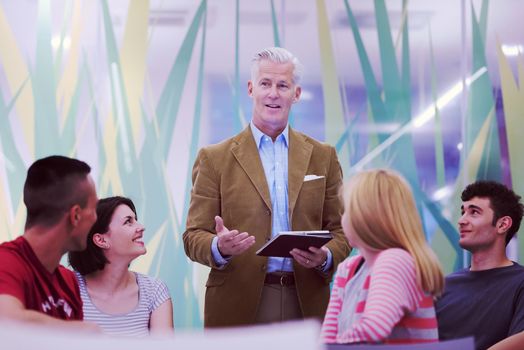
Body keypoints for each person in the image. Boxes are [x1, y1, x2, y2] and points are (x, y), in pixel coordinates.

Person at [183, 47, 350, 327]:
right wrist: (218, 246)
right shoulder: (214, 158)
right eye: (265, 84)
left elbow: (341, 231)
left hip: (306, 302)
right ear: (251, 89)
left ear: (295, 94)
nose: (273, 93)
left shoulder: (324, 157)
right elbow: (192, 236)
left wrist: (325, 256)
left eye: (283, 85)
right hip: (237, 303)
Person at [320, 169, 444, 344]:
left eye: (346, 211)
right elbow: (327, 339)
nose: (342, 219)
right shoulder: (347, 269)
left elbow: (374, 328)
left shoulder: (394, 260)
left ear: (365, 217)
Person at [0, 155, 98, 330]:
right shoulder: (5, 262)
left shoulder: (69, 281)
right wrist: (85, 331)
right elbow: (7, 320)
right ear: (75, 215)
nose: (96, 218)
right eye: (94, 209)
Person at [436, 180, 524, 349]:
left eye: (474, 212)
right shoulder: (443, 286)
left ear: (503, 224)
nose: (462, 220)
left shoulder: (520, 282)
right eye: (463, 212)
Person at [68, 196, 173, 337]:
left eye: (135, 219)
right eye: (128, 222)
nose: (141, 227)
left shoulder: (154, 291)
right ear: (101, 240)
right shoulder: (69, 289)